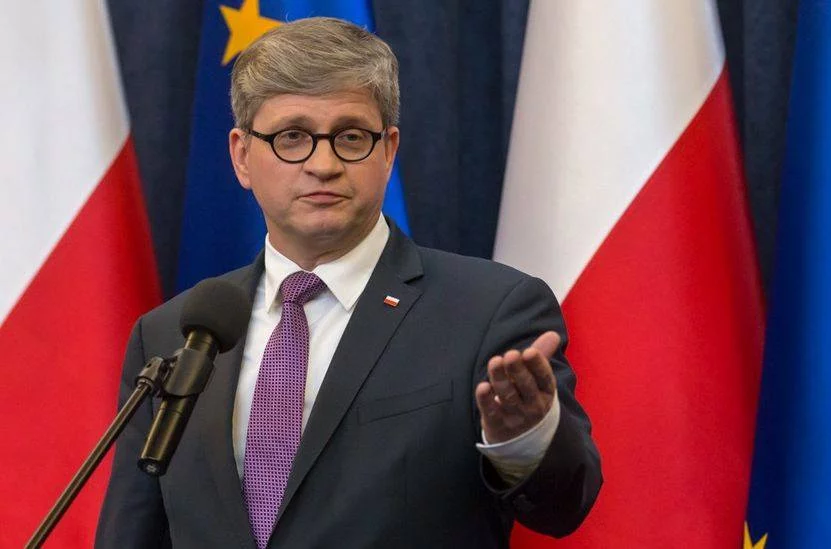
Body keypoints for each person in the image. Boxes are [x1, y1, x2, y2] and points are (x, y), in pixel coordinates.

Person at [96, 17, 601, 549]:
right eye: (292, 137)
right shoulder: (171, 334)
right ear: (242, 156)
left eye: (351, 137)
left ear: (388, 150)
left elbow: (565, 505)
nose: (324, 164)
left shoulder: (488, 311)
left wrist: (524, 440)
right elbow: (132, 531)